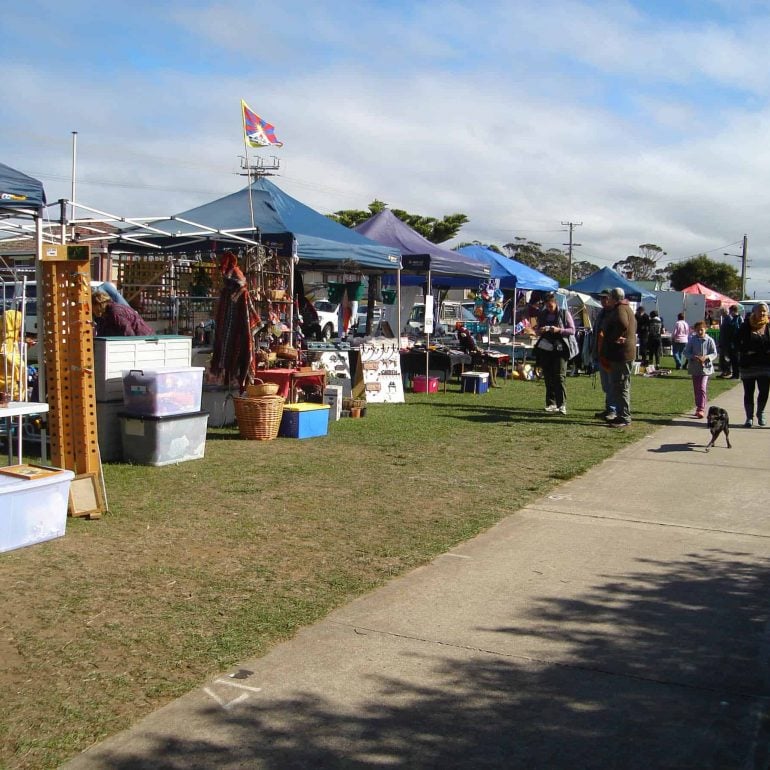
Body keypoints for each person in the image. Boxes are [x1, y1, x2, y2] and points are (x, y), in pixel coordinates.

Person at [600, 287, 636, 428]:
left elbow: (622, 323)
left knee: (620, 386)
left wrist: (614, 337)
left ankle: (624, 417)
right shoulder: (628, 308)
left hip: (621, 354)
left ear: (613, 298)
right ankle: (622, 415)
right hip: (626, 353)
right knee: (622, 385)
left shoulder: (620, 309)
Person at [534, 292, 576, 415]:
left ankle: (561, 404)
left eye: (550, 306)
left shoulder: (564, 313)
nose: (549, 308)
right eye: (547, 306)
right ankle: (550, 403)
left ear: (555, 303)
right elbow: (537, 330)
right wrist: (539, 330)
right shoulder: (542, 315)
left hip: (560, 349)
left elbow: (572, 330)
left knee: (559, 377)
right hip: (546, 349)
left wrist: (559, 330)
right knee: (548, 376)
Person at [735, 301, 770, 428]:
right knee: (749, 392)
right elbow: (736, 342)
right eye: (759, 310)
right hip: (748, 364)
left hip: (765, 364)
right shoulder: (746, 326)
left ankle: (760, 413)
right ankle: (749, 417)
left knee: (764, 390)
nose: (762, 313)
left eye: (764, 311)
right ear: (754, 312)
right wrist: (745, 350)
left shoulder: (768, 326)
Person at [683, 320, 717, 419]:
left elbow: (714, 353)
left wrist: (706, 357)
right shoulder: (692, 340)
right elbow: (686, 352)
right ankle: (698, 406)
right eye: (698, 330)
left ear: (705, 329)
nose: (700, 332)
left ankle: (701, 408)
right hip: (694, 367)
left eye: (701, 330)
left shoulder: (709, 340)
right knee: (696, 388)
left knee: (702, 388)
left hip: (705, 368)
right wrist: (693, 357)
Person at [591, 290, 617, 420]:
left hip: (611, 354)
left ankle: (613, 410)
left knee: (612, 383)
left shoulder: (615, 313)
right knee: (606, 384)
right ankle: (608, 408)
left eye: (606, 298)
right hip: (600, 353)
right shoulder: (601, 313)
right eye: (601, 298)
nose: (603, 301)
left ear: (611, 299)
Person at [719, 304, 742, 379]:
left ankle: (735, 374)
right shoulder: (734, 318)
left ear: (733, 311)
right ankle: (734, 374)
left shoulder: (738, 318)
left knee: (734, 359)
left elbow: (736, 329)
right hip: (731, 342)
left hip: (734, 342)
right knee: (733, 359)